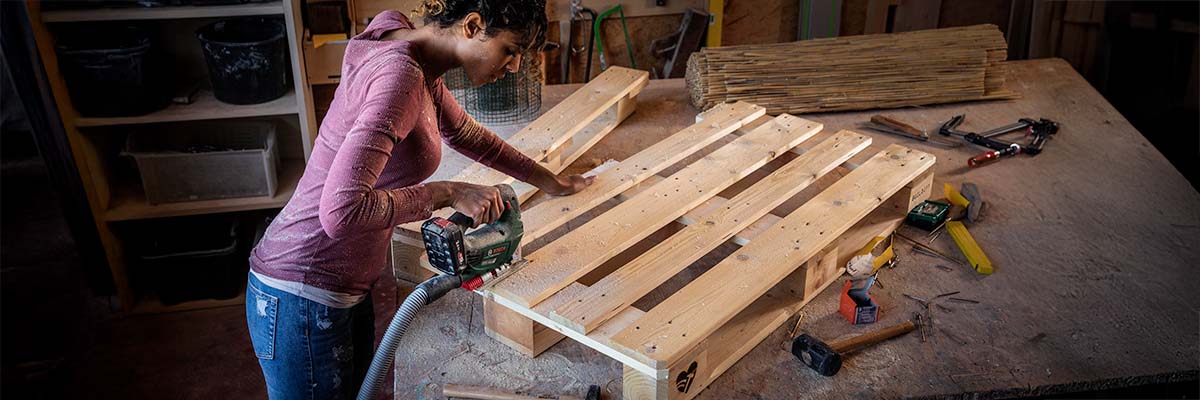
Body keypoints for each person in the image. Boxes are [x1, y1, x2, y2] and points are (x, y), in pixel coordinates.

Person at [244, 1, 592, 398]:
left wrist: (549, 181)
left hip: (333, 286)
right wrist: (448, 192)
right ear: (473, 25)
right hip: (302, 290)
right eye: (510, 50)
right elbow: (340, 212)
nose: (513, 66)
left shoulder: (402, 38)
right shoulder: (401, 78)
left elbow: (466, 134)